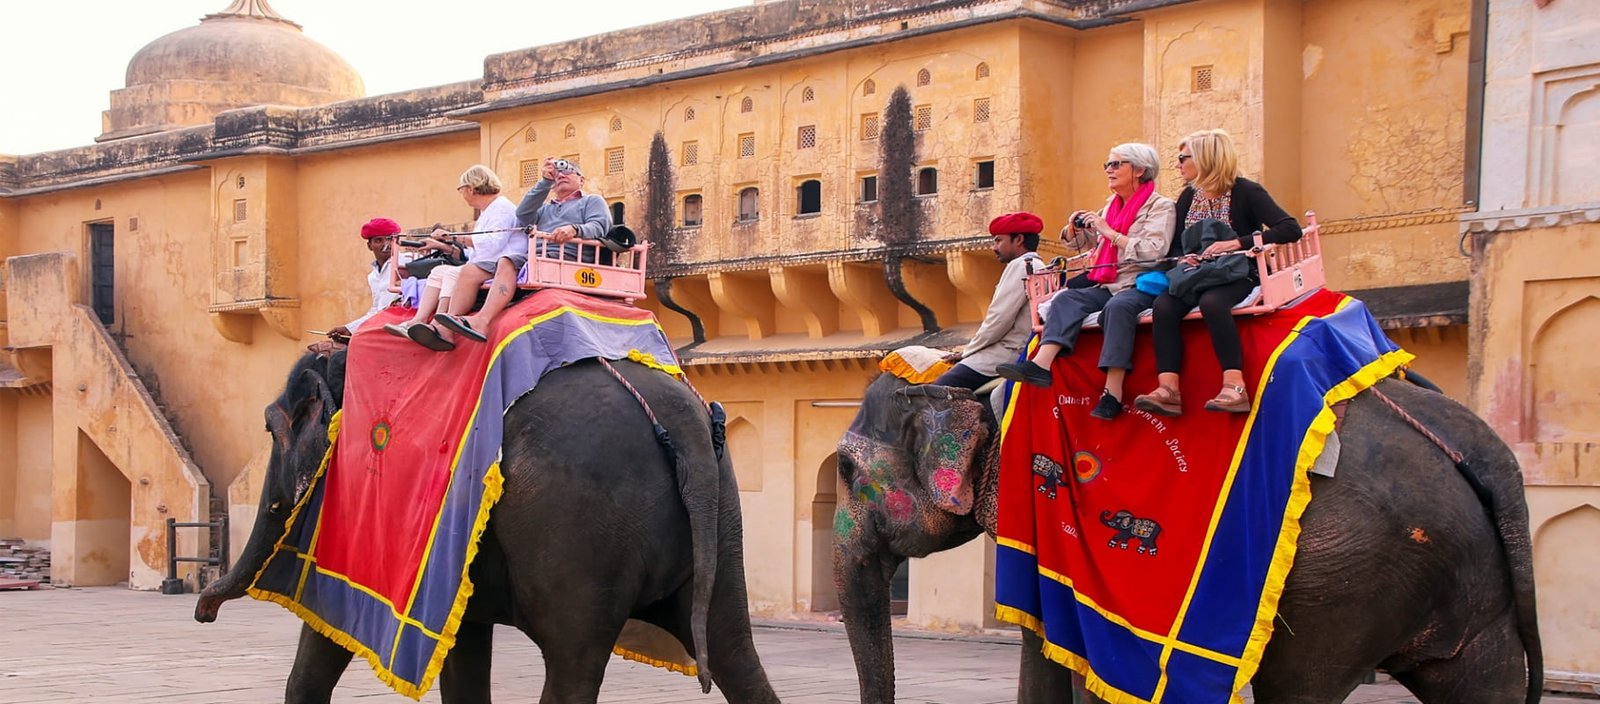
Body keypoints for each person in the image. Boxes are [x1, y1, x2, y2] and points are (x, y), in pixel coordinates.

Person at [996, 144, 1176, 421]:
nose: (1109, 170)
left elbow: (1154, 252)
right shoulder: (1111, 206)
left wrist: (1110, 232)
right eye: (1107, 164)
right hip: (1106, 280)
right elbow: (1094, 244)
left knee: (1117, 308)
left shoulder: (1161, 206)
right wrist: (1075, 229)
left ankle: (1112, 394)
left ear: (1139, 170)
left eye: (1117, 164)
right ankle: (1040, 366)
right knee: (1066, 299)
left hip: (1139, 282)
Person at [1132, 129, 1301, 416]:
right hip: (1198, 274)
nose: (1178, 164)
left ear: (1206, 159)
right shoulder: (1188, 197)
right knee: (1164, 305)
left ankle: (1234, 386)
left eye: (1184, 158)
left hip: (1239, 271)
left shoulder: (1247, 192)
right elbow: (1174, 245)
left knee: (1213, 302)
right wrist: (1184, 259)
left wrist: (1238, 242)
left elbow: (1290, 228)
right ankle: (1168, 389)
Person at [430, 157, 610, 345]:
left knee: (507, 260)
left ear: (582, 180)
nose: (563, 174)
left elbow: (600, 226)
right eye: (558, 172)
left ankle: (482, 319)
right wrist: (545, 181)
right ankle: (449, 326)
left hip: (569, 256)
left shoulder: (591, 201)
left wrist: (574, 229)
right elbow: (523, 214)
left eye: (569, 171)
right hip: (537, 257)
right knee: (493, 264)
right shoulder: (546, 208)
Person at [402, 165, 523, 351]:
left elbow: (492, 243)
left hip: (501, 259)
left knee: (458, 273)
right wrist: (442, 245)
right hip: (488, 260)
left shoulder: (502, 209)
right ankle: (419, 320)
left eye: (461, 190)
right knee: (438, 271)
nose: (462, 195)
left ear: (471, 188)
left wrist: (453, 237)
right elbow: (475, 251)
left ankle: (443, 324)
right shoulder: (488, 211)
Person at [932, 212, 1045, 390]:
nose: (994, 247)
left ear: (1019, 240)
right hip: (1024, 348)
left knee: (935, 391)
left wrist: (967, 351)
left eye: (999, 240)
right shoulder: (1039, 266)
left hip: (1007, 353)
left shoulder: (1021, 266)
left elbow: (999, 319)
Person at [328, 217, 402, 341]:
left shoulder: (406, 263)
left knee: (338, 358)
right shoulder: (372, 277)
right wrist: (349, 329)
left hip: (399, 328)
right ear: (369, 246)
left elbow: (389, 310)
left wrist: (353, 330)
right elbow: (377, 310)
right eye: (379, 240)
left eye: (390, 240)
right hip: (380, 327)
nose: (386, 245)